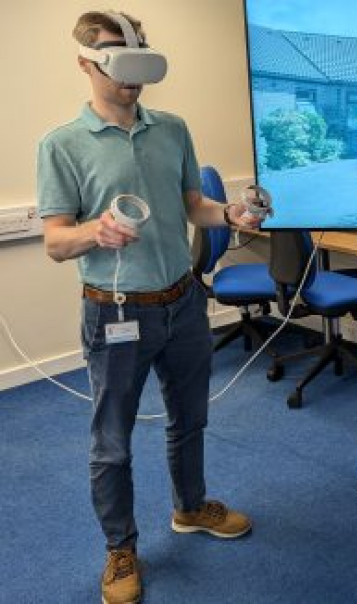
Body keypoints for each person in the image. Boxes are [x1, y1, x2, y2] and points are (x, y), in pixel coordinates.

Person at [36, 11, 262, 604]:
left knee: (192, 420)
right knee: (111, 441)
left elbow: (195, 206)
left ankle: (191, 508)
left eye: (139, 50)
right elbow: (57, 242)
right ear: (87, 62)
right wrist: (97, 233)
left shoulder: (172, 127)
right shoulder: (60, 144)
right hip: (115, 313)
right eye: (116, 52)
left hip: (183, 302)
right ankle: (120, 548)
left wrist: (232, 215)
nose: (132, 66)